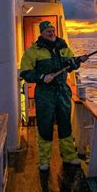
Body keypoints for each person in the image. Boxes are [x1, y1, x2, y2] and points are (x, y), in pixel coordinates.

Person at [20, 21, 88, 171]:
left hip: (63, 91)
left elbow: (71, 66)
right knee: (45, 125)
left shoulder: (63, 47)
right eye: (48, 31)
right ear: (42, 33)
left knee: (65, 124)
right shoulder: (33, 51)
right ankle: (44, 160)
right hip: (45, 93)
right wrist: (42, 77)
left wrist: (78, 61)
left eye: (53, 30)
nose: (51, 33)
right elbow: (24, 72)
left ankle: (70, 156)